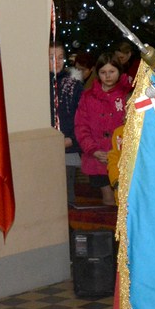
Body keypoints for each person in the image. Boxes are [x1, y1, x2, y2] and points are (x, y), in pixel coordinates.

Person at [74, 53, 131, 206]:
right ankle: (110, 227)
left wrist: (119, 152)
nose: (108, 76)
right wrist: (92, 150)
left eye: (112, 72)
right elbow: (81, 126)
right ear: (97, 74)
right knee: (108, 198)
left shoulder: (127, 95)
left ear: (119, 71)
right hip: (97, 156)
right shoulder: (88, 97)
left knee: (125, 198)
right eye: (103, 72)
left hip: (121, 156)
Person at [50, 41, 84, 205]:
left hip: (68, 145)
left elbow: (82, 116)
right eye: (51, 58)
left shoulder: (73, 85)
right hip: (45, 145)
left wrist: (72, 138)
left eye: (60, 58)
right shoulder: (38, 85)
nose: (56, 62)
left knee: (65, 191)